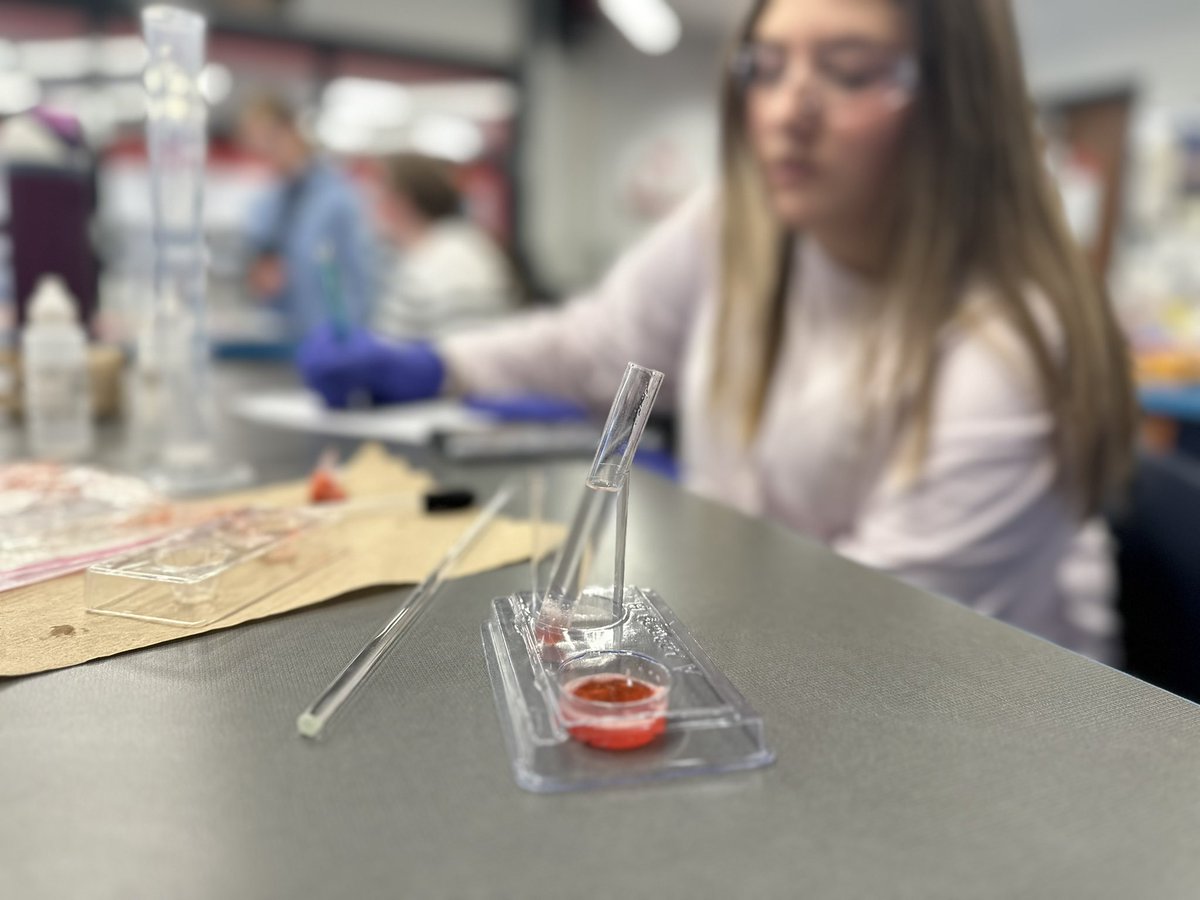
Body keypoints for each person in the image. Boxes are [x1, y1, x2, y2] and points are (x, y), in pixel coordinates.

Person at [298, 0, 1135, 660]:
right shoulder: (747, 223)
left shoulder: (1013, 349)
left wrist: (698, 520)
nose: (785, 110)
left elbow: (876, 638)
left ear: (962, 103)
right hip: (780, 639)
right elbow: (594, 345)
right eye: (763, 68)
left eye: (847, 70)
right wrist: (438, 365)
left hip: (969, 725)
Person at [238, 94, 375, 339]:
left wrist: (347, 344)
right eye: (256, 144)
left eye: (271, 139)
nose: (266, 151)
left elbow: (360, 282)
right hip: (284, 339)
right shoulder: (268, 203)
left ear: (293, 132)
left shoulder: (338, 200)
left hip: (330, 343)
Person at [371, 153, 517, 340]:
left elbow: (463, 357)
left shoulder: (444, 263)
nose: (372, 205)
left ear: (400, 202)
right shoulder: (455, 246)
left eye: (378, 195)